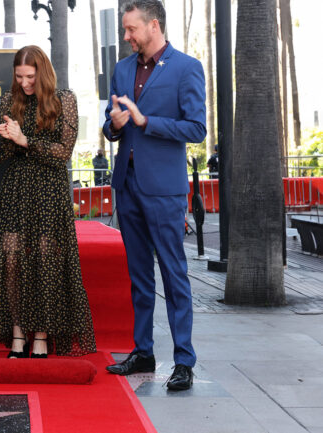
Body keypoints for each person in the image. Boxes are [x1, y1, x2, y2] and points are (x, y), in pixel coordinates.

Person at [102, 0, 206, 390]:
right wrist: (113, 125)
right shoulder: (122, 68)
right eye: (125, 30)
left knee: (174, 273)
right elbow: (111, 127)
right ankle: (142, 351)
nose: (126, 37)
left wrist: (148, 122)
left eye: (131, 29)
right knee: (139, 275)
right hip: (127, 186)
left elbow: (196, 129)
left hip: (164, 191)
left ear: (153, 25)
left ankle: (184, 361)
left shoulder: (186, 68)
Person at [0, 45, 97, 359]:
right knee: (11, 259)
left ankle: (42, 337)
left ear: (42, 72)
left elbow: (63, 153)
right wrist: (8, 139)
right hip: (17, 189)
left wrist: (25, 141)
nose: (24, 83)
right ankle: (18, 334)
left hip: (49, 192)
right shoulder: (11, 100)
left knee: (46, 260)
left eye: (29, 76)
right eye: (19, 76)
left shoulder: (64, 99)